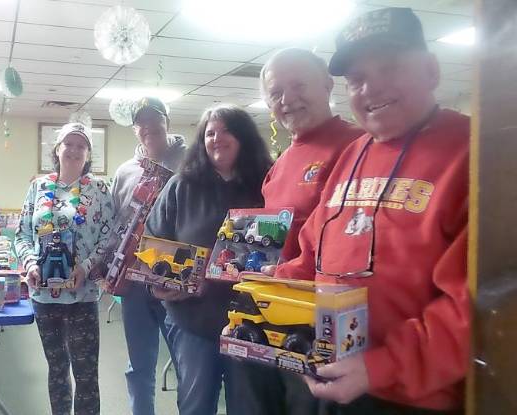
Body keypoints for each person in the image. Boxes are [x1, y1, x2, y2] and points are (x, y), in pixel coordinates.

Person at [272, 7, 470, 414]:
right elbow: (312, 257)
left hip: (411, 396)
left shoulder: (475, 153)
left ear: (431, 71)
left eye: (390, 67)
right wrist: (260, 295)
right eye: (357, 79)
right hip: (332, 373)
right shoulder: (353, 154)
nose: (370, 88)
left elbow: (476, 303)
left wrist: (379, 367)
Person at [145, 103, 275, 415]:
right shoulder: (182, 185)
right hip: (192, 320)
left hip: (251, 322)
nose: (217, 138)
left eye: (226, 131)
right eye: (209, 133)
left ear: (244, 137)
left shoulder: (267, 185)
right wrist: (160, 282)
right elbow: (152, 245)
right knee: (195, 405)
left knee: (247, 406)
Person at [259, 47, 365, 414]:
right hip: (278, 316)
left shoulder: (359, 145)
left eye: (298, 85)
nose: (287, 100)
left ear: (326, 85)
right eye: (276, 92)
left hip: (327, 327)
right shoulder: (281, 163)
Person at [14, 122, 113, 415]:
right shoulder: (38, 187)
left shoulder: (98, 189)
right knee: (56, 369)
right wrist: (31, 264)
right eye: (68, 144)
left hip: (82, 297)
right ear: (57, 149)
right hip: (44, 297)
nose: (74, 150)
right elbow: (21, 235)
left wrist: (85, 266)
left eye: (81, 145)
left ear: (88, 154)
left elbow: (108, 238)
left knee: (86, 374)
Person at [107, 96, 187, 415]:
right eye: (141, 122)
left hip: (175, 284)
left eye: (155, 120)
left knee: (186, 367)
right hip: (134, 285)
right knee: (138, 366)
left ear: (167, 121)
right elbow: (114, 225)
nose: (148, 128)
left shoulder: (191, 164)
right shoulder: (125, 172)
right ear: (135, 129)